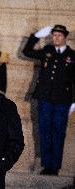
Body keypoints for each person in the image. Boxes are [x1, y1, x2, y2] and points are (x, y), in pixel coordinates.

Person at [22, 24, 75, 175]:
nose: (55, 38)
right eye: (53, 35)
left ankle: (55, 167)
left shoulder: (73, 55)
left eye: (59, 35)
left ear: (65, 37)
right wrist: (36, 36)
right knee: (44, 131)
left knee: (58, 132)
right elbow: (26, 52)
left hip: (63, 100)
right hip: (44, 97)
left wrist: (74, 101)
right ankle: (46, 165)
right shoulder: (47, 51)